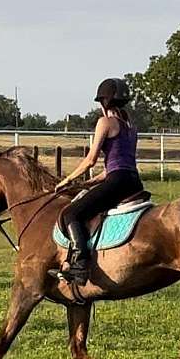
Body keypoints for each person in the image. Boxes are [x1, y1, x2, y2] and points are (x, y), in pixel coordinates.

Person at [54, 78, 143, 284]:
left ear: (104, 102)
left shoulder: (105, 123)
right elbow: (109, 170)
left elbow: (90, 160)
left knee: (70, 213)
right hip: (133, 181)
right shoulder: (131, 128)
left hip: (117, 182)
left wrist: (66, 179)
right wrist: (85, 185)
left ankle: (80, 265)